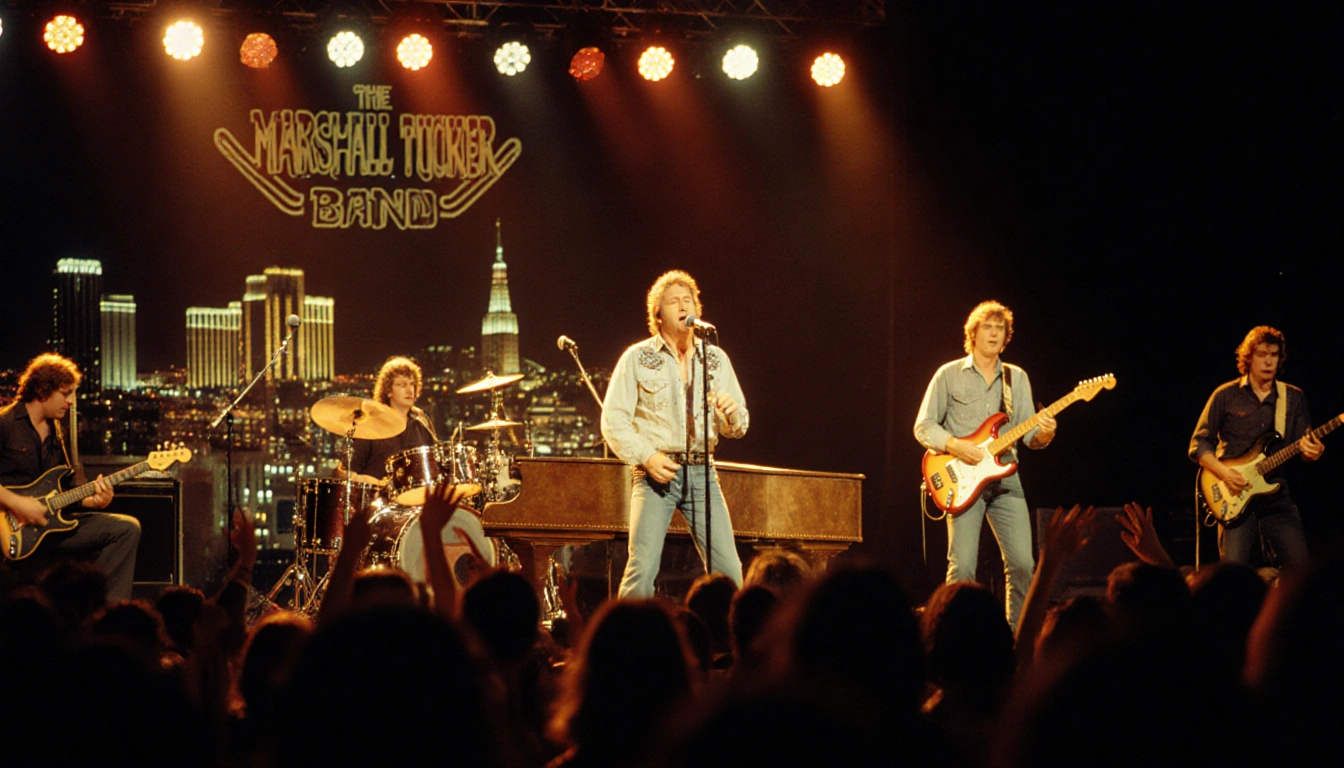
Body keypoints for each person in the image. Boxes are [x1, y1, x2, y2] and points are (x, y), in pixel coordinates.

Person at [601, 270, 748, 598]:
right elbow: (613, 421)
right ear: (658, 313)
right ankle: (625, 641)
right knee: (642, 569)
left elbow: (738, 424)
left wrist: (732, 416)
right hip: (656, 475)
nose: (683, 306)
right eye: (674, 301)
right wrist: (647, 457)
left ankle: (734, 641)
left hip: (703, 473)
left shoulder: (715, 359)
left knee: (731, 571)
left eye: (688, 300)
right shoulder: (637, 358)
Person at [914, 301, 1057, 630]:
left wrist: (1045, 434)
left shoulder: (1016, 378)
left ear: (1006, 337)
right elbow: (923, 426)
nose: (994, 333)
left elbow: (1029, 433)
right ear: (973, 334)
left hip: (1006, 480)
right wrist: (955, 446)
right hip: (961, 481)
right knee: (963, 567)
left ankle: (1015, 642)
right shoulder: (948, 375)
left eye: (1000, 329)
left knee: (1023, 565)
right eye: (988, 327)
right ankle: (952, 638)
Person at [0, 353, 140, 601]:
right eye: (66, 394)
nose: (71, 402)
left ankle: (102, 613)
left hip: (49, 528)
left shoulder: (57, 433)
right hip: (8, 533)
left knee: (126, 529)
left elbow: (64, 492)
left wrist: (93, 501)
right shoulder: (6, 423)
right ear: (43, 391)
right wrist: (16, 503)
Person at [1189, 325, 1323, 569]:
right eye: (1262, 354)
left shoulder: (1292, 397)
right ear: (1248, 357)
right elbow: (1198, 444)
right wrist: (1223, 472)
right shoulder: (1226, 395)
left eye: (1274, 355)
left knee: (1301, 573)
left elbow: (1304, 447)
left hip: (1276, 496)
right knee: (1232, 574)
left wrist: (1312, 453)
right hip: (1233, 493)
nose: (1269, 361)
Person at [344, 356, 439, 485]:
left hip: (416, 501)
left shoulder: (421, 424)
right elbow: (346, 472)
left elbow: (436, 465)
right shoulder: (371, 425)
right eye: (402, 384)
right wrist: (374, 483)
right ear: (388, 391)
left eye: (412, 384)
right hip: (378, 500)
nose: (409, 389)